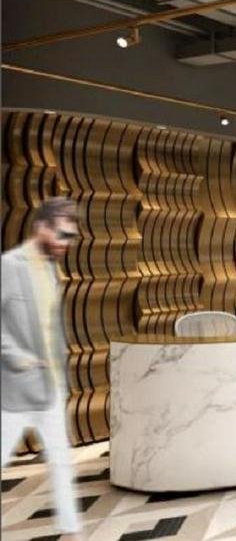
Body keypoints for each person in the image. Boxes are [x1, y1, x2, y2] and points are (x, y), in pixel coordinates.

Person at [1, 197, 82, 539]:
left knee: (61, 461)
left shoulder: (50, 268)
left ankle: (71, 529)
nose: (66, 243)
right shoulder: (10, 266)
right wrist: (17, 357)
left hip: (50, 385)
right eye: (62, 234)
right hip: (17, 389)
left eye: (70, 236)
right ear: (41, 227)